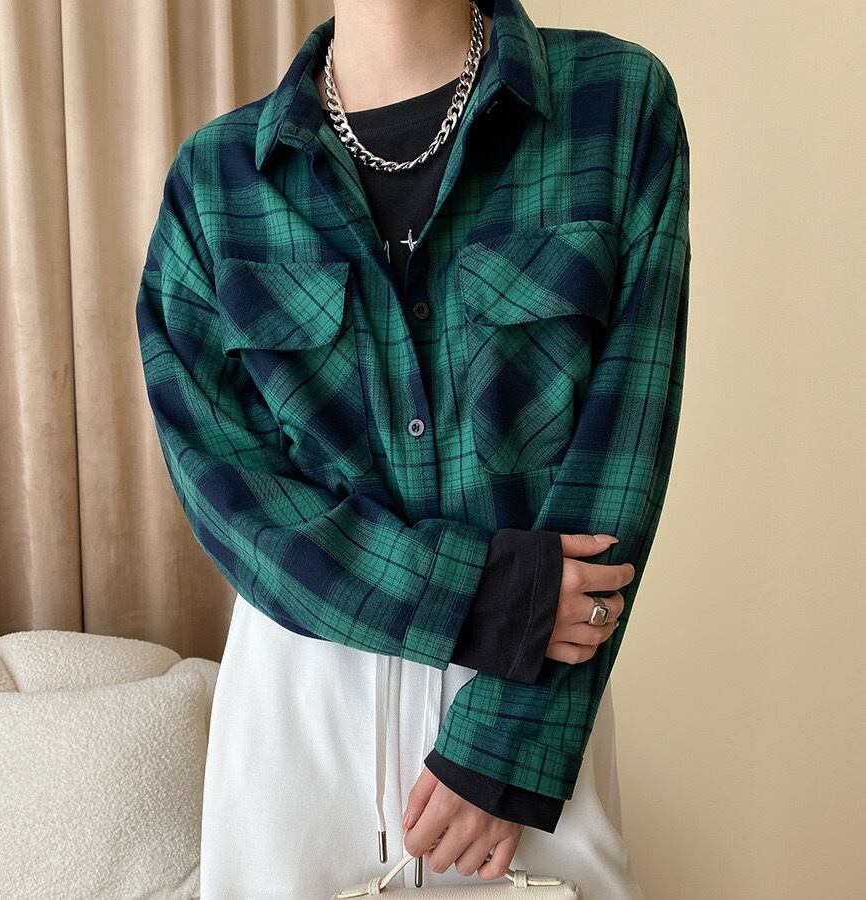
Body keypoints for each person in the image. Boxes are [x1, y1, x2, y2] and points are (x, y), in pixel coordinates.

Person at [134, 0, 691, 896]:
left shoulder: (617, 107)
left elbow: (623, 451)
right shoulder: (214, 181)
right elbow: (229, 498)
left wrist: (506, 744)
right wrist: (481, 597)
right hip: (299, 720)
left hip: (530, 695)